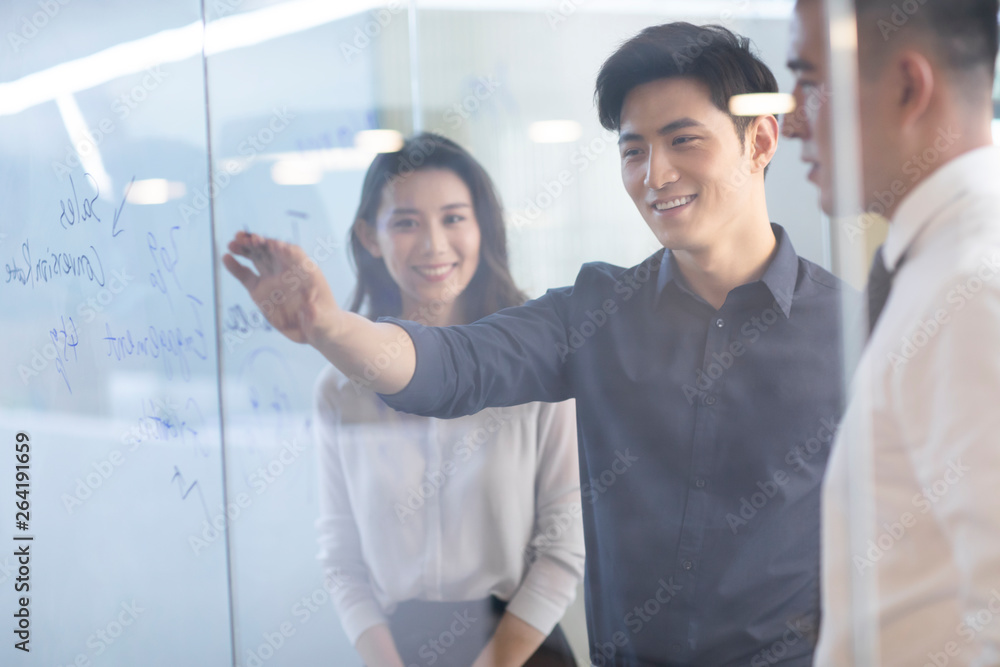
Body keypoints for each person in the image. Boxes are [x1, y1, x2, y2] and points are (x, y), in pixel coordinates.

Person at [225, 23, 849, 666]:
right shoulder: (596, 314)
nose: (655, 174)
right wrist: (327, 325)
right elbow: (452, 366)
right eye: (633, 151)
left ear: (760, 140)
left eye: (683, 140)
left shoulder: (852, 330)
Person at [236, 133, 585, 667]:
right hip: (400, 651)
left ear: (483, 227)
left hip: (521, 648)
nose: (433, 245)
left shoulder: (537, 369)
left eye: (453, 218)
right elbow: (342, 559)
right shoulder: (339, 390)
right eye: (406, 223)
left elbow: (562, 551)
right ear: (369, 237)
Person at [783, 1, 1000, 664]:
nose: (791, 120)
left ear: (908, 87)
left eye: (809, 81)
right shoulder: (937, 265)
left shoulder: (973, 287)